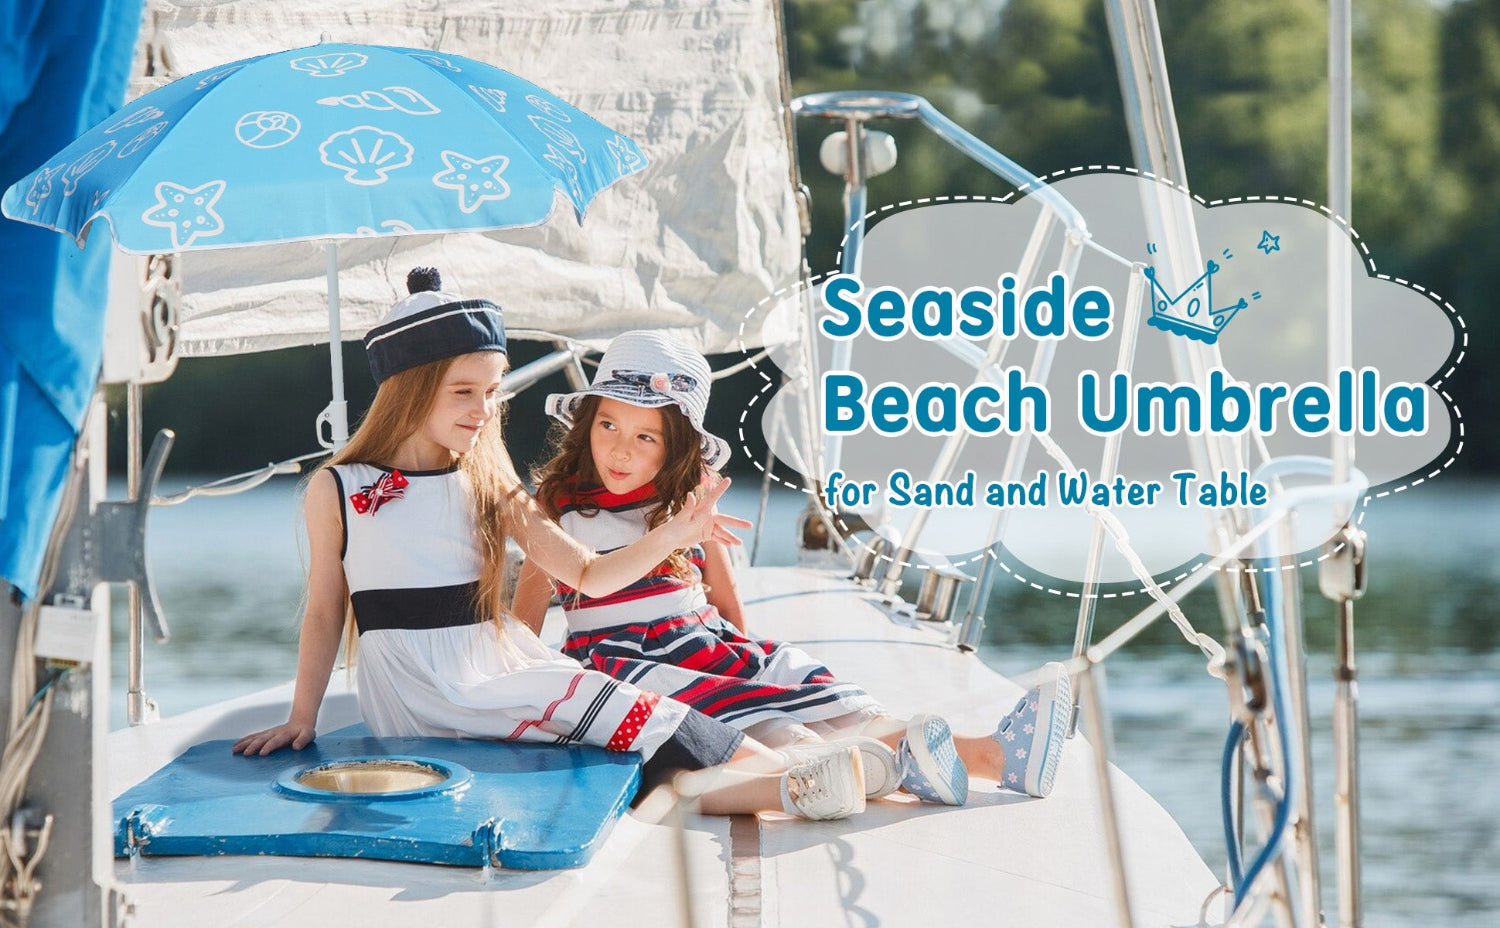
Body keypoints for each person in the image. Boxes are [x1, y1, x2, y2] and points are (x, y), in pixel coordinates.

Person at [232, 269, 868, 823]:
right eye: (464, 392)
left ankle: (802, 780)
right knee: (622, 721)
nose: (484, 410)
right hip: (420, 685)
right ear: (409, 387)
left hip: (498, 663)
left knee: (651, 712)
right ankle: (796, 789)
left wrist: (676, 533)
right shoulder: (339, 487)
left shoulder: (488, 472)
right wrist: (302, 716)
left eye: (492, 390)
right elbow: (323, 611)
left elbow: (587, 574)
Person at [515, 330, 1074, 804]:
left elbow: (725, 605)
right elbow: (525, 625)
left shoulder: (689, 503)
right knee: (779, 729)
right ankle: (898, 771)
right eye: (609, 425)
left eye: (645, 437)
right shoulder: (557, 506)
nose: (620, 450)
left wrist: (746, 663)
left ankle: (997, 759)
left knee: (826, 704)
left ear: (676, 448)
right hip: (628, 663)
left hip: (705, 646)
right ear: (586, 420)